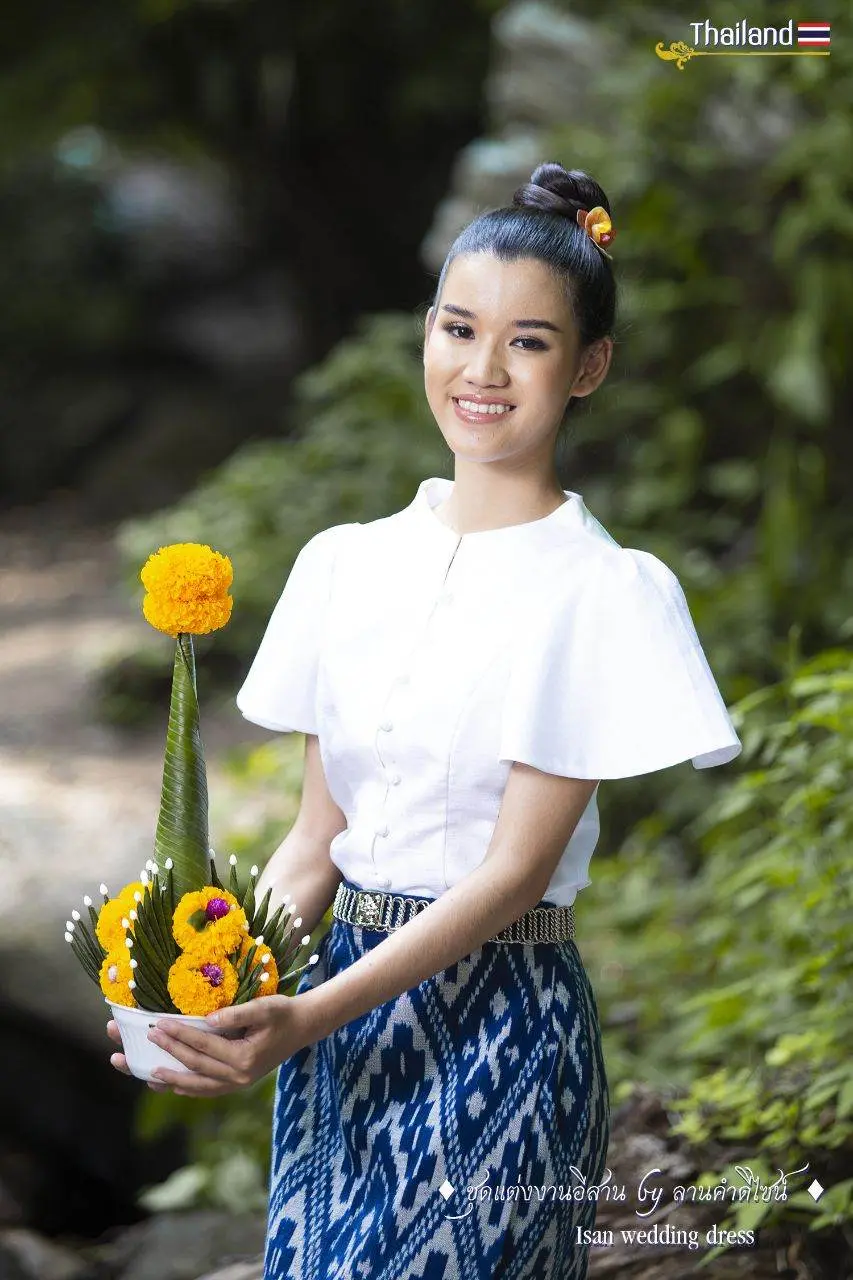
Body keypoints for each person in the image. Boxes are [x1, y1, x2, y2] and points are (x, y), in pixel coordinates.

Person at [107, 162, 743, 1278]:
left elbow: (510, 872)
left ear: (588, 365)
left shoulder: (602, 589)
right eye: (459, 327)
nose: (482, 369)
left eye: (530, 342)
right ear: (427, 334)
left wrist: (304, 1016)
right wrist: (207, 993)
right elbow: (315, 841)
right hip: (335, 1018)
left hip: (505, 1021)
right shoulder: (344, 563)